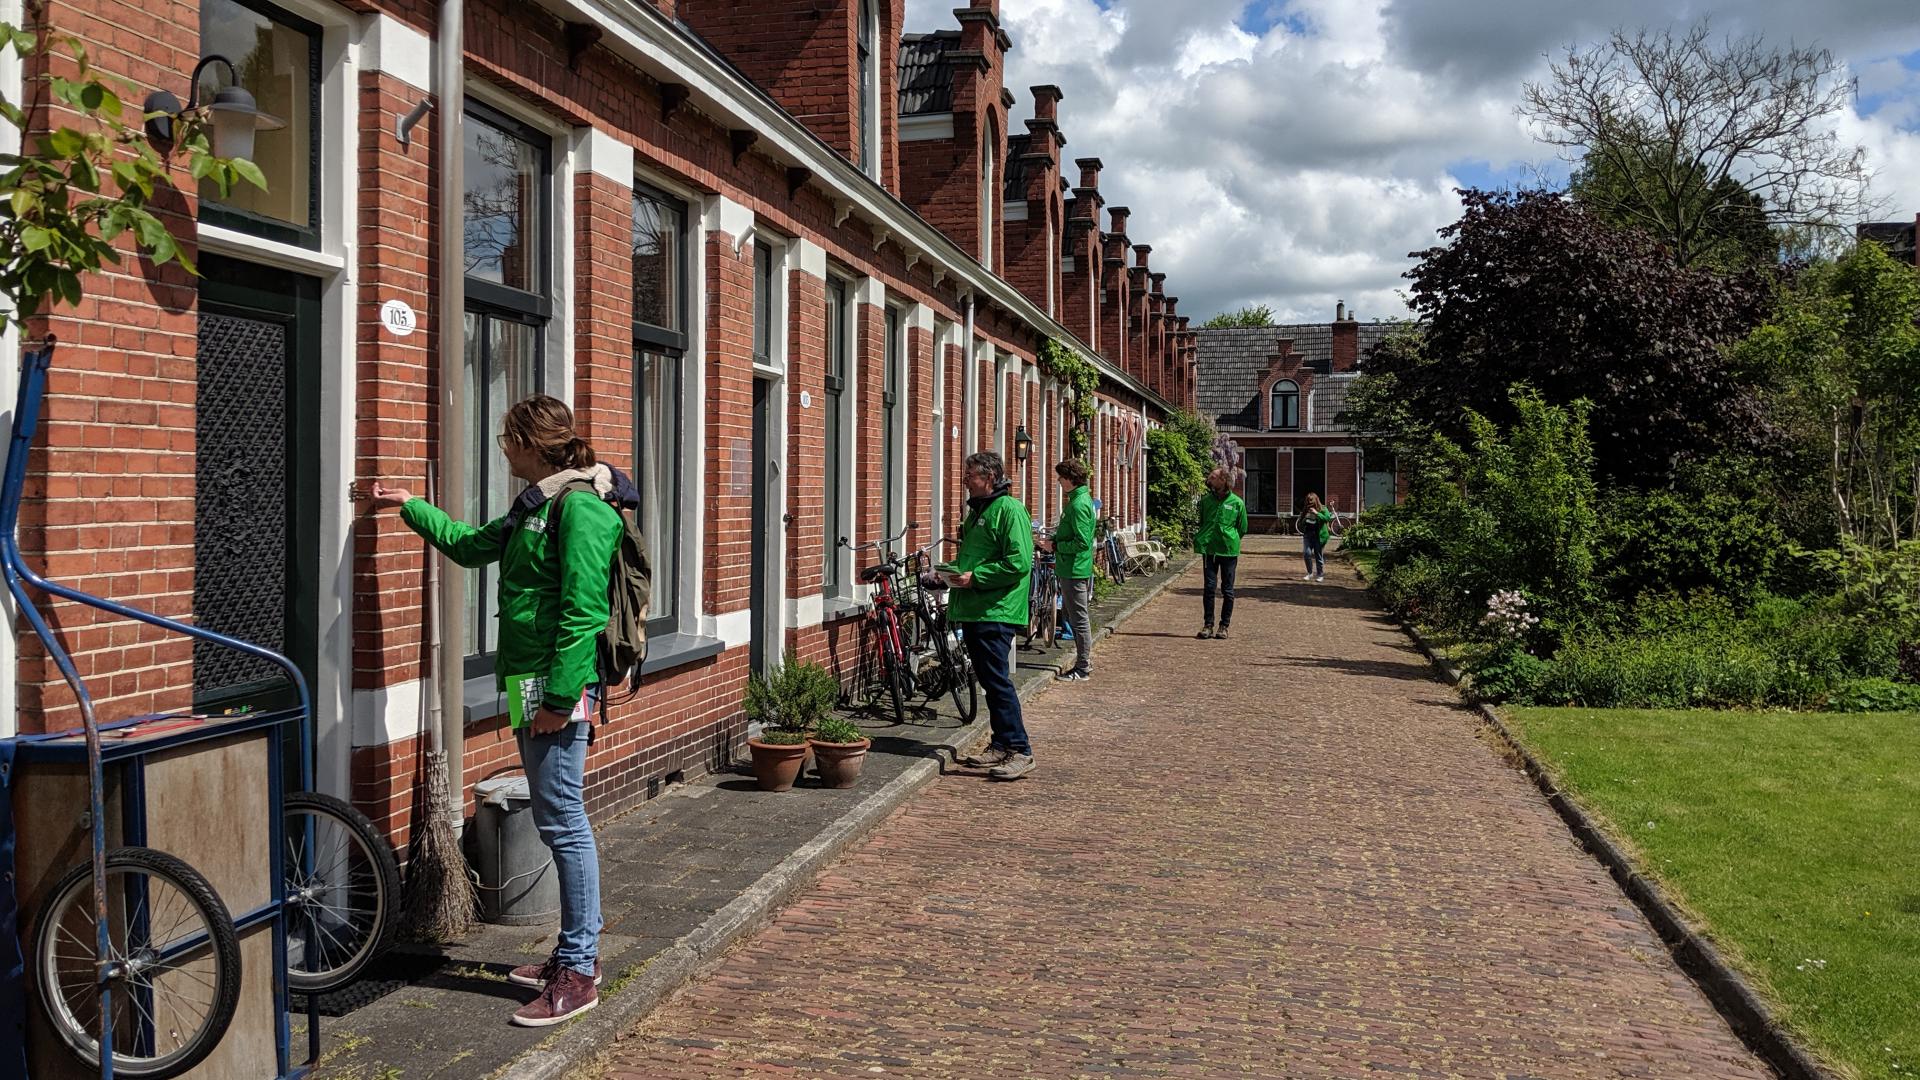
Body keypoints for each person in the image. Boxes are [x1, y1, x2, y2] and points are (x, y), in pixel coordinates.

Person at [368, 395, 626, 1028]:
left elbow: (583, 612)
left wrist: (562, 701)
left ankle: (580, 968)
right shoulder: (535, 505)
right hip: (528, 681)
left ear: (532, 443)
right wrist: (410, 507)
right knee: (555, 815)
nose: (501, 448)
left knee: (564, 822)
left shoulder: (582, 510)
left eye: (507, 438)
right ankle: (572, 952)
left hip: (556, 689)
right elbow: (469, 545)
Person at [948, 451, 1037, 780]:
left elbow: (1019, 563)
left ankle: (1020, 749)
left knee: (998, 682)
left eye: (971, 475)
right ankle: (1000, 744)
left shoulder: (1009, 510)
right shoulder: (978, 511)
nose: (965, 480)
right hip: (976, 608)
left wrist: (976, 578)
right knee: (988, 681)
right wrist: (949, 575)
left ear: (990, 477)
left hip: (996, 609)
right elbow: (976, 557)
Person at [1042, 458, 1096, 682]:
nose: (1058, 481)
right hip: (1071, 566)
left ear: (1071, 479)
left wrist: (1055, 546)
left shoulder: (1079, 504)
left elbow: (1083, 542)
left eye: (1061, 478)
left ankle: (1083, 666)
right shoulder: (1078, 500)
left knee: (1078, 618)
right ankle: (1083, 663)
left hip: (1074, 568)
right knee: (1076, 617)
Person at [1194, 466, 1247, 640]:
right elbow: (1202, 522)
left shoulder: (1237, 503)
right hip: (1209, 549)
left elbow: (1242, 528)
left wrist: (1230, 539)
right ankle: (1208, 625)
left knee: (1227, 589)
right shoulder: (1206, 501)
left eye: (1213, 477)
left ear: (1223, 481)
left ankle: (1224, 626)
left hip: (1228, 551)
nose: (1209, 480)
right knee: (1209, 587)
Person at [1300, 492, 1334, 582]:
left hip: (1319, 535)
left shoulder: (1323, 508)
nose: (1309, 504)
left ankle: (1320, 575)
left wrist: (1317, 513)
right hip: (1308, 535)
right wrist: (1304, 519)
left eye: (1311, 502)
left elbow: (1327, 518)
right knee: (1306, 553)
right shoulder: (1306, 509)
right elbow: (1301, 522)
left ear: (1316, 500)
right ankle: (1310, 573)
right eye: (1308, 502)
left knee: (1318, 555)